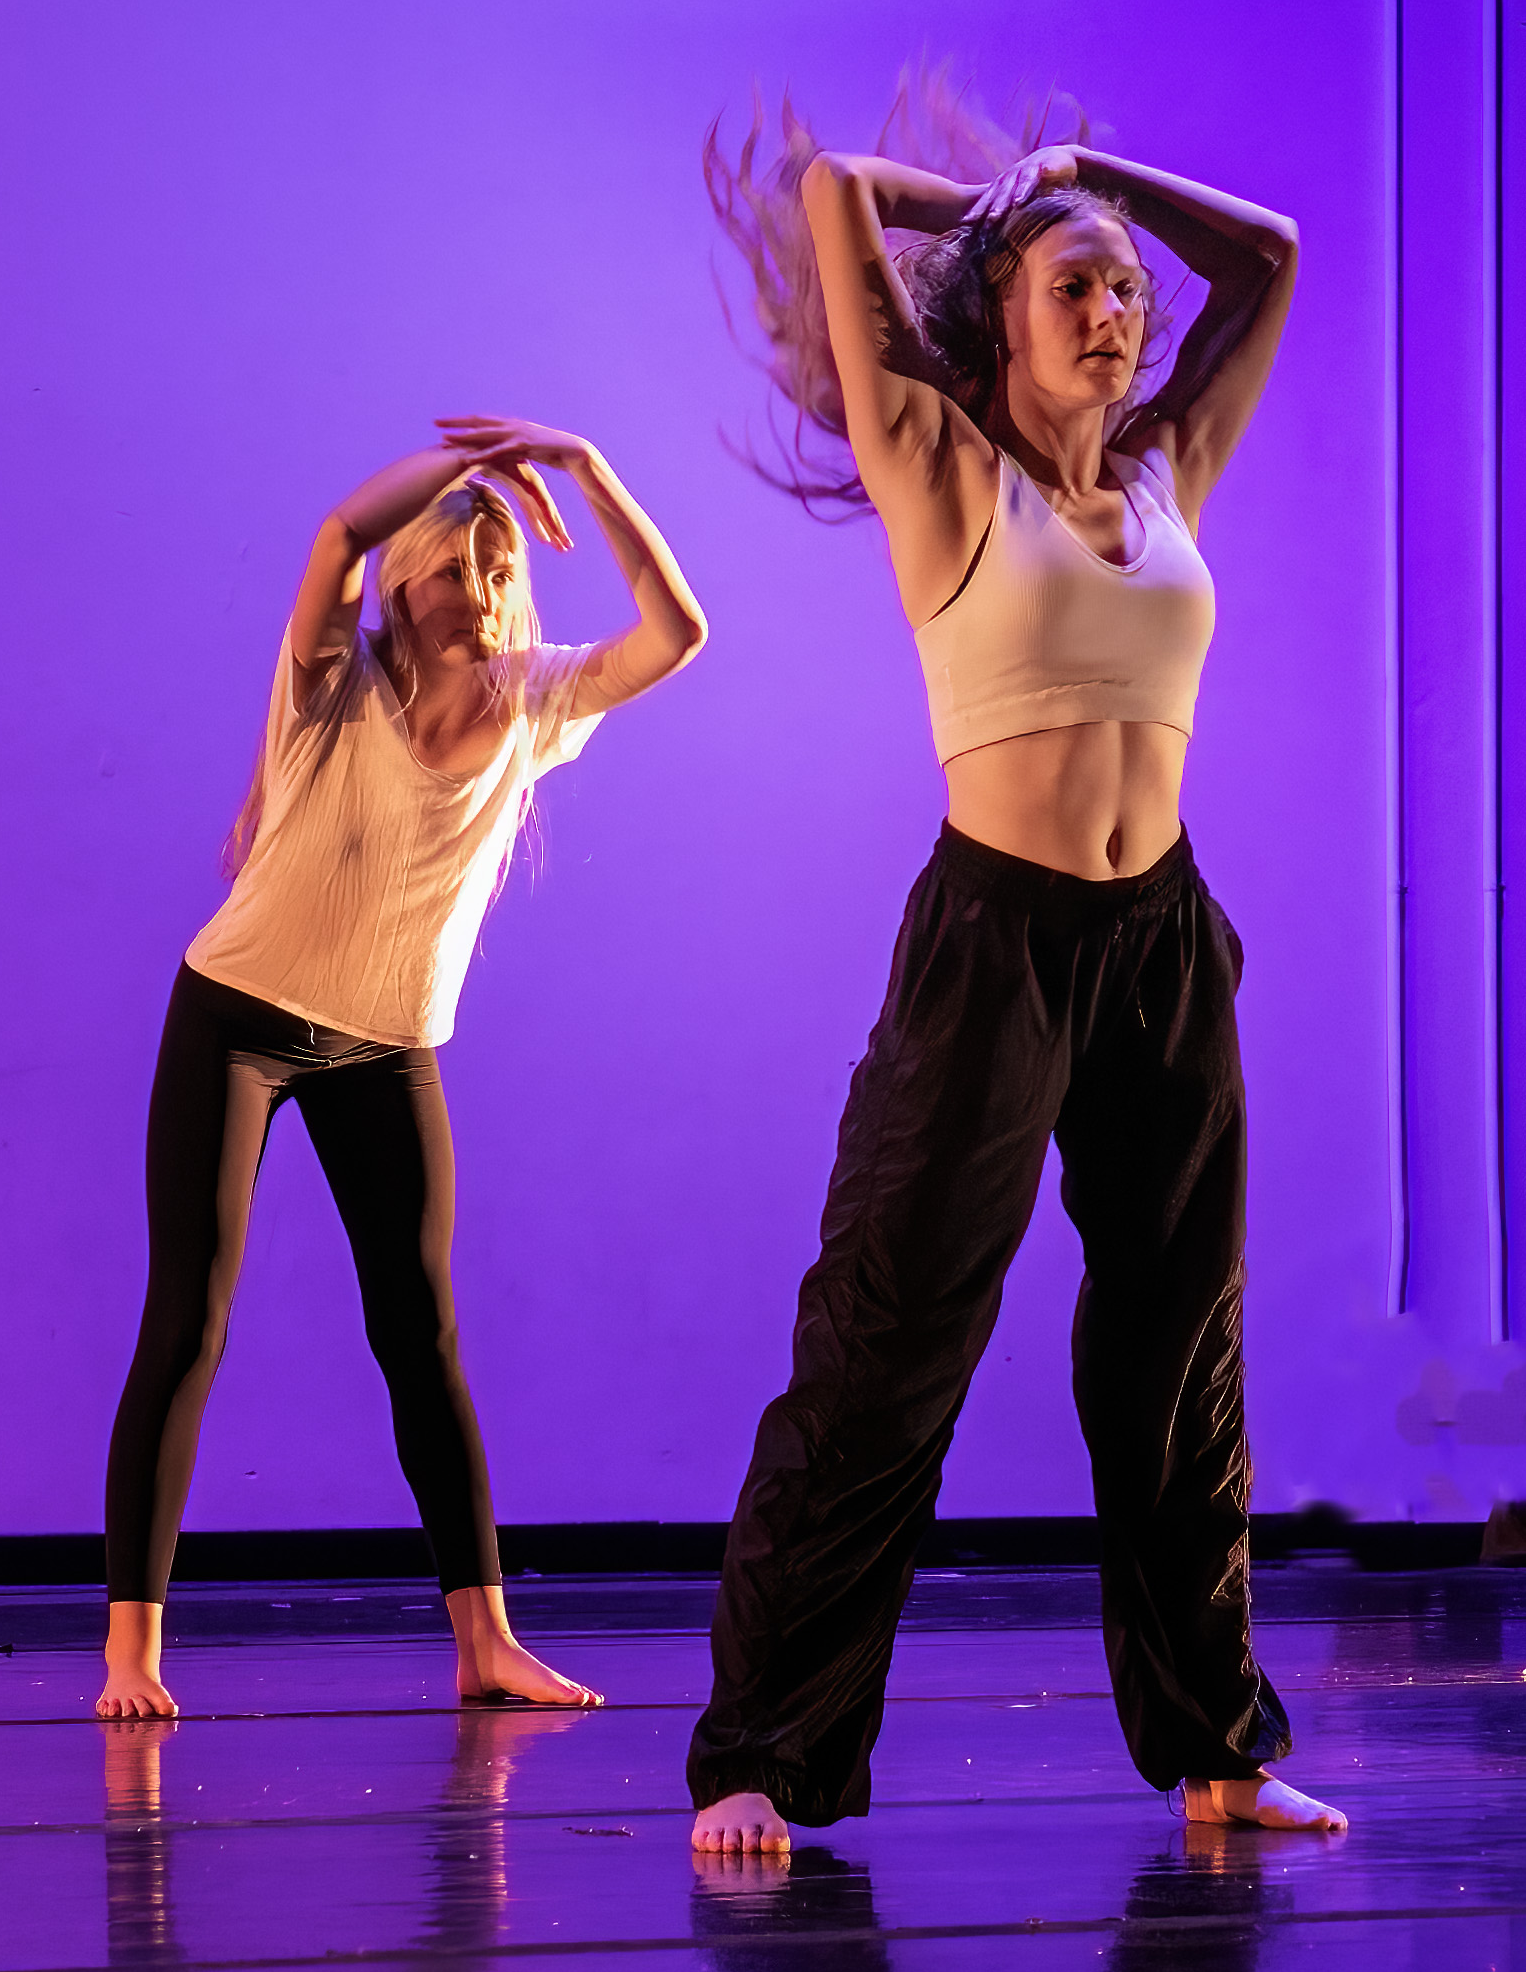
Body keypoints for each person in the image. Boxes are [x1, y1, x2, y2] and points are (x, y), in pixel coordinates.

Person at [687, 96, 1347, 1848]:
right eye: (1077, 286)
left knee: (1179, 1347)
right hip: (996, 947)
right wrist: (1010, 197)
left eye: (1126, 289)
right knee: (888, 1339)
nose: (1116, 310)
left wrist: (1100, 183)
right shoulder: (939, 462)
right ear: (1001, 310)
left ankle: (1218, 1746)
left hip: (1165, 945)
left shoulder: (1165, 469)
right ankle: (763, 1753)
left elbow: (1271, 257)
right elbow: (838, 187)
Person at [98, 417, 707, 1719]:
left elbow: (677, 634)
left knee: (421, 1334)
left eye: (500, 568)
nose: (481, 588)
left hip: (387, 1044)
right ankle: (130, 1655)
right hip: (239, 1018)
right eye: (455, 567)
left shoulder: (535, 705)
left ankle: (486, 1643)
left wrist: (587, 471)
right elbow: (339, 533)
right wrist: (469, 470)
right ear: (405, 584)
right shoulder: (333, 681)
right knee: (190, 1318)